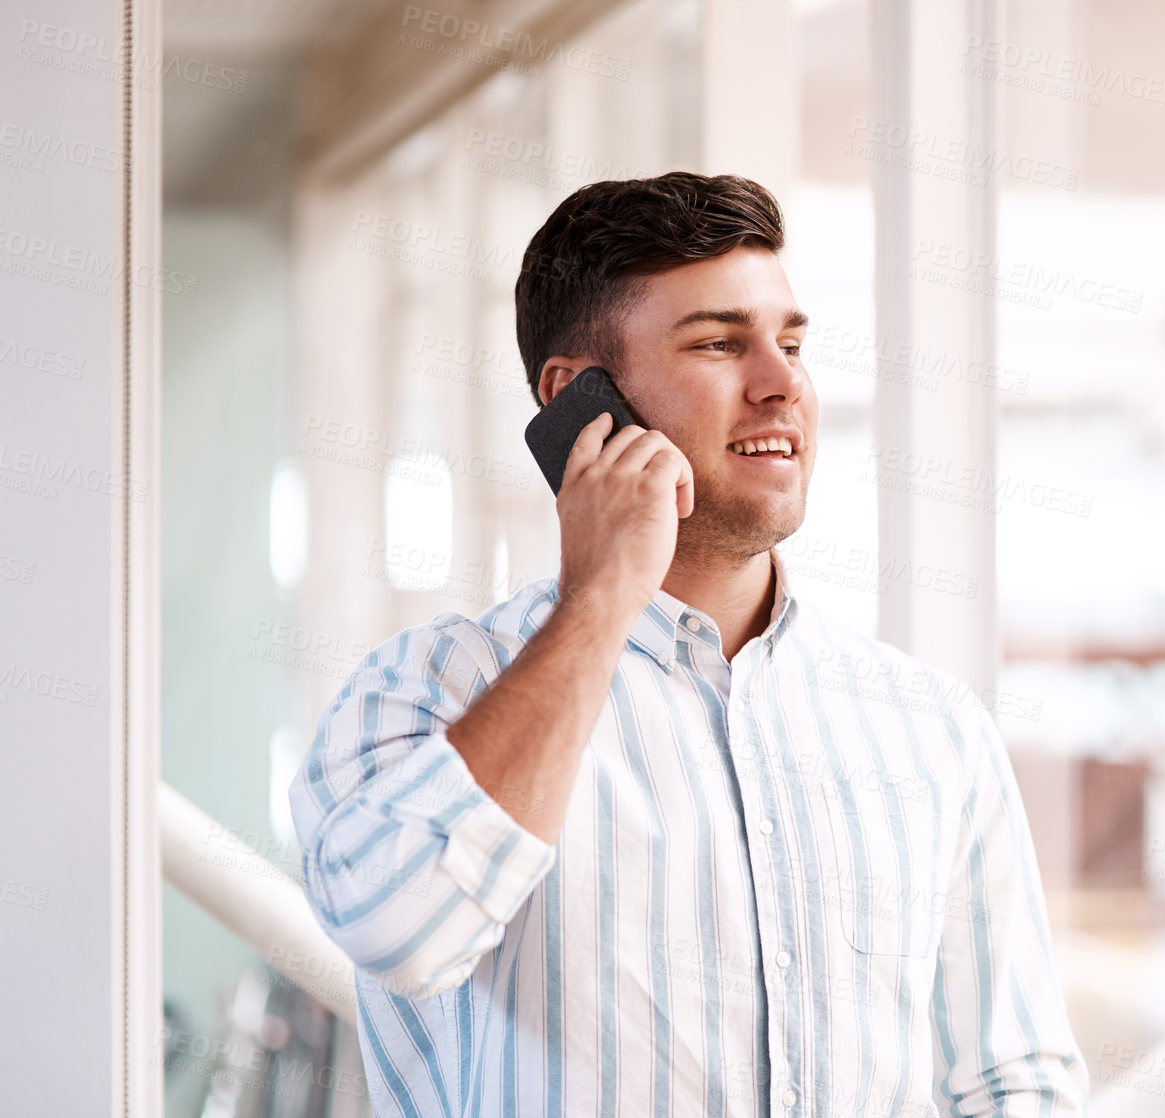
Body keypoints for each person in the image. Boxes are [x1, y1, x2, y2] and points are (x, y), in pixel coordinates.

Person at [290, 172, 1087, 1117]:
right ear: (579, 400)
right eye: (719, 343)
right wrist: (602, 595)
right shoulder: (425, 693)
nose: (782, 383)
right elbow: (401, 931)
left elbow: (1012, 1079)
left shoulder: (930, 727)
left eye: (791, 344)